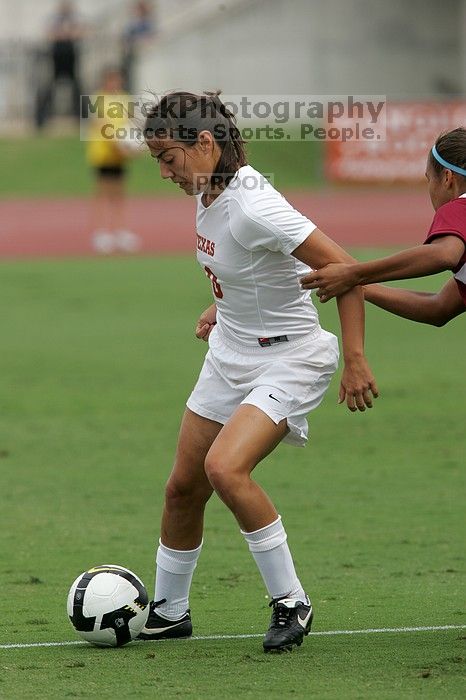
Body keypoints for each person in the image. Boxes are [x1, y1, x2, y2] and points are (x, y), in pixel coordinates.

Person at [138, 91, 378, 653]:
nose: (163, 171)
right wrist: (221, 306)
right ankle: (170, 611)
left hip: (291, 357)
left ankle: (290, 601)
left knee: (225, 468)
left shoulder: (253, 204)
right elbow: (250, 266)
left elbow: (346, 269)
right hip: (231, 352)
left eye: (167, 157)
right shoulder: (209, 190)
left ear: (204, 142)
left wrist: (357, 359)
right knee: (182, 489)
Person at [301, 128, 466, 326]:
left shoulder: (459, 206)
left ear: (447, 178)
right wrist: (356, 283)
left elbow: (443, 254)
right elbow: (438, 308)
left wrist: (353, 273)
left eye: (429, 179)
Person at [86, 67, 140, 254]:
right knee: (103, 192)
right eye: (112, 80)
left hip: (120, 154)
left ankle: (120, 231)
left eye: (117, 80)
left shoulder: (124, 99)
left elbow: (130, 123)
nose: (115, 84)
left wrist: (134, 145)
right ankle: (101, 233)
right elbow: (102, 125)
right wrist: (119, 145)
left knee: (119, 194)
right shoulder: (98, 99)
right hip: (103, 153)